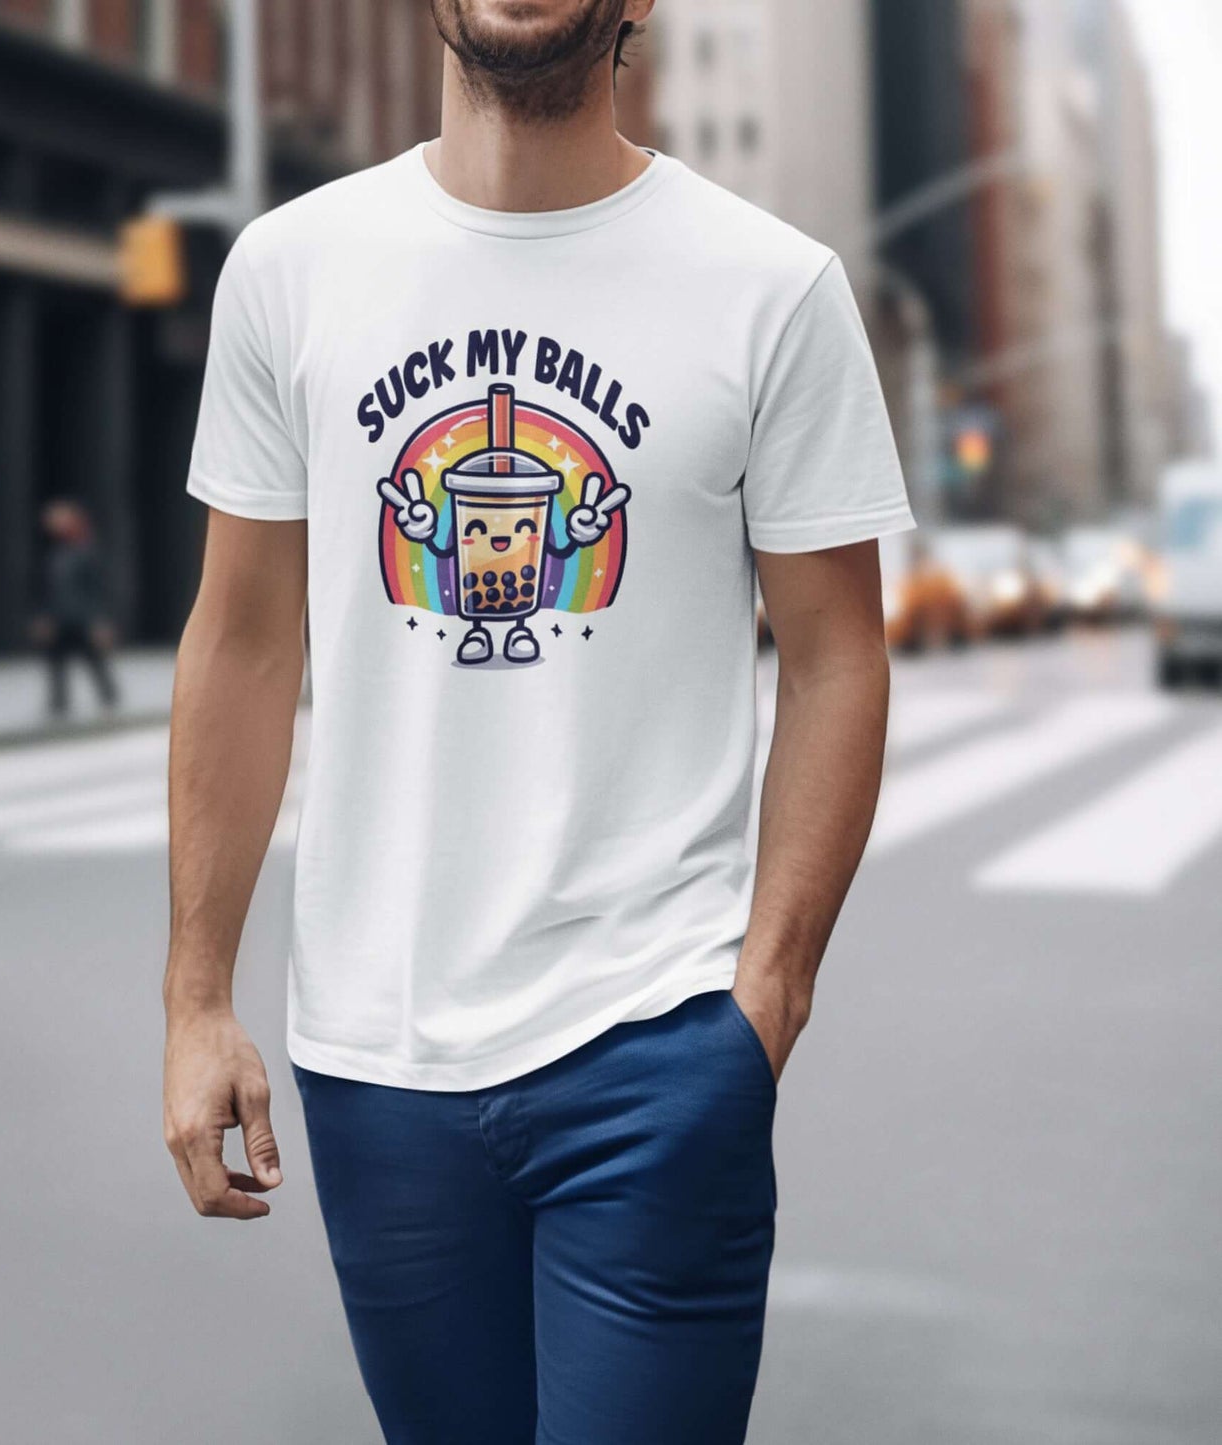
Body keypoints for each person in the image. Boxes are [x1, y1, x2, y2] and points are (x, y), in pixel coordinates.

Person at [163, 2, 915, 1440]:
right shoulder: (291, 270)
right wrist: (196, 1000)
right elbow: (244, 640)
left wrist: (762, 1002)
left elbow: (835, 658)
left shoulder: (772, 286)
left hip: (657, 1044)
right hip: (375, 1061)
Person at [31, 499, 119, 719]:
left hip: (83, 618)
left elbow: (98, 588)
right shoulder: (50, 553)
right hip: (58, 618)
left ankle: (109, 699)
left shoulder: (86, 551)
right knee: (56, 664)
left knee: (95, 661)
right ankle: (58, 705)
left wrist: (100, 621)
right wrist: (43, 617)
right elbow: (43, 589)